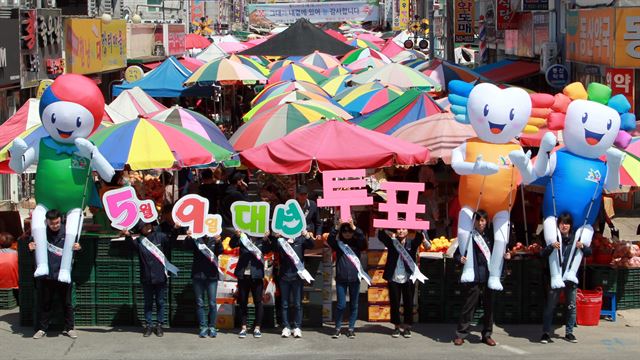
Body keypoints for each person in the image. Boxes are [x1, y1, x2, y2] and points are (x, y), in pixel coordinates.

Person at [453, 209, 509, 346]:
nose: (480, 223)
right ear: (474, 222)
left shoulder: (493, 237)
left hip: (489, 276)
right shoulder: (469, 236)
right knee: (469, 306)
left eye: (483, 220)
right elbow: (457, 254)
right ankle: (461, 334)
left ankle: (487, 334)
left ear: (487, 221)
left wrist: (507, 257)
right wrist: (460, 259)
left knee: (489, 307)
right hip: (475, 277)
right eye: (478, 220)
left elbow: (501, 255)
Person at [540, 213, 592, 344]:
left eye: (567, 223)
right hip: (555, 277)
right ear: (558, 225)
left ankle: (569, 332)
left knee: (571, 306)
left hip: (570, 278)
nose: (564, 226)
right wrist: (551, 247)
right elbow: (542, 254)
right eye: (562, 223)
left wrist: (583, 247)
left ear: (571, 226)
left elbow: (589, 253)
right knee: (550, 306)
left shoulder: (576, 238)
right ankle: (546, 333)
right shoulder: (553, 238)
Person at [30, 209, 81, 339]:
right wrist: (30, 247)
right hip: (47, 275)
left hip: (63, 273)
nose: (55, 225)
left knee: (67, 303)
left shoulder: (68, 232)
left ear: (61, 220)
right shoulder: (41, 232)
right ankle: (42, 328)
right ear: (47, 222)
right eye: (52, 223)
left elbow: (77, 251)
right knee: (46, 302)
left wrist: (78, 248)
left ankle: (69, 328)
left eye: (57, 223)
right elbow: (32, 247)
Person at [123, 221, 175, 337]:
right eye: (144, 226)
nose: (147, 227)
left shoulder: (160, 236)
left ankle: (160, 325)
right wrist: (127, 235)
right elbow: (130, 246)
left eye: (149, 224)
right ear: (140, 229)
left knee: (160, 302)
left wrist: (175, 228)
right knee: (148, 303)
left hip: (160, 276)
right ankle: (149, 325)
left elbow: (170, 241)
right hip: (146, 276)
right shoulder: (139, 241)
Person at [378, 227, 430, 338]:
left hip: (408, 277)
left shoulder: (411, 243)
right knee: (394, 302)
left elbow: (420, 238)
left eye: (404, 229)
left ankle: (407, 327)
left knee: (408, 303)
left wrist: (419, 230)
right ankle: (396, 326)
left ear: (407, 231)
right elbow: (381, 236)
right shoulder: (392, 242)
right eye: (398, 229)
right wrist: (386, 228)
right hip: (394, 276)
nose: (401, 231)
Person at [327, 219, 367, 339]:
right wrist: (337, 228)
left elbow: (363, 242)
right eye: (344, 231)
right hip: (341, 278)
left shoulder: (357, 244)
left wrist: (354, 228)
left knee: (354, 305)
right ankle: (337, 328)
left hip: (355, 279)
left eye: (349, 231)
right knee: (341, 305)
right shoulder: (338, 245)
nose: (347, 234)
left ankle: (351, 328)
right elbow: (330, 240)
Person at [230, 230, 274, 339]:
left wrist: (266, 239)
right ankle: (243, 327)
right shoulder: (243, 238)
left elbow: (269, 249)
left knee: (258, 302)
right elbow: (231, 245)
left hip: (257, 275)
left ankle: (257, 327)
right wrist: (236, 235)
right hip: (243, 275)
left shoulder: (261, 240)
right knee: (242, 301)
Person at [276, 230, 315, 338]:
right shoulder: (281, 240)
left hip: (297, 276)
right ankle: (286, 327)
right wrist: (276, 238)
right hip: (284, 276)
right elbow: (273, 248)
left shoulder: (301, 239)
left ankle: (297, 327)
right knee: (284, 304)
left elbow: (312, 245)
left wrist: (307, 235)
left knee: (297, 303)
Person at [184, 232, 224, 338]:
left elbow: (220, 251)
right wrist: (188, 237)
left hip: (211, 275)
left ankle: (212, 327)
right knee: (200, 303)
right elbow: (186, 246)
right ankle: (203, 327)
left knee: (212, 303)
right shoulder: (196, 238)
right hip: (198, 274)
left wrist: (218, 242)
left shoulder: (214, 237)